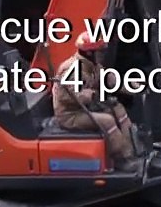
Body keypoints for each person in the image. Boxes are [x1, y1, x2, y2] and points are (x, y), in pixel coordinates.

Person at [52, 34, 139, 170]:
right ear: (89, 52)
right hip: (70, 115)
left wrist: (132, 87)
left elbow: (110, 80)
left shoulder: (93, 66)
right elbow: (65, 97)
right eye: (100, 51)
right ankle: (120, 160)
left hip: (85, 109)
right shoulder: (71, 69)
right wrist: (89, 96)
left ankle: (131, 151)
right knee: (107, 121)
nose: (103, 53)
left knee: (119, 109)